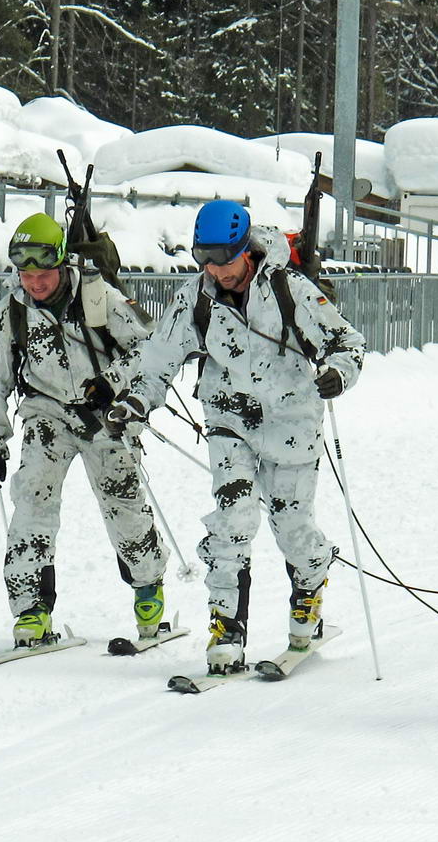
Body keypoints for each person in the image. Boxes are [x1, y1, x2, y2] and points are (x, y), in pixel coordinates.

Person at [106, 200, 367, 676]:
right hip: (229, 420)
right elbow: (157, 361)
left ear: (246, 251)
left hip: (291, 423)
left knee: (293, 529)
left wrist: (337, 373)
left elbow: (348, 343)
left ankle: (308, 592)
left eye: (223, 259)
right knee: (233, 520)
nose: (215, 269)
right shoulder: (195, 298)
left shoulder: (291, 289)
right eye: (204, 258)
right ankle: (227, 630)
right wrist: (135, 403)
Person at [0, 212, 167, 646]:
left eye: (42, 274)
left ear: (61, 264)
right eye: (26, 274)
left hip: (106, 420)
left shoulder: (100, 298)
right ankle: (31, 610)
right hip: (47, 417)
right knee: (32, 503)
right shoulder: (11, 313)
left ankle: (148, 588)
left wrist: (112, 384)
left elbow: (149, 349)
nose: (34, 283)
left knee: (125, 508)